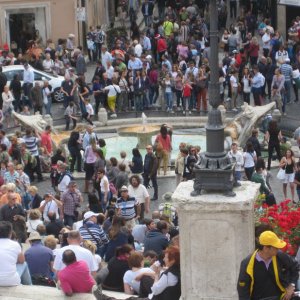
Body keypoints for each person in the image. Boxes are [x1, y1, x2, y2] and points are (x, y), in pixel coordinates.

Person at [237, 230, 299, 300]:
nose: (278, 249)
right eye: (276, 247)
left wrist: (291, 285)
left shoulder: (280, 256)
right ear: (266, 248)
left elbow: (295, 267)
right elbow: (243, 291)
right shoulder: (247, 263)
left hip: (281, 297)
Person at [0, 221, 32, 286]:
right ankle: (29, 286)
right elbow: (22, 261)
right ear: (10, 233)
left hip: (8, 280)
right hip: (11, 281)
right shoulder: (15, 245)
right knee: (24, 264)